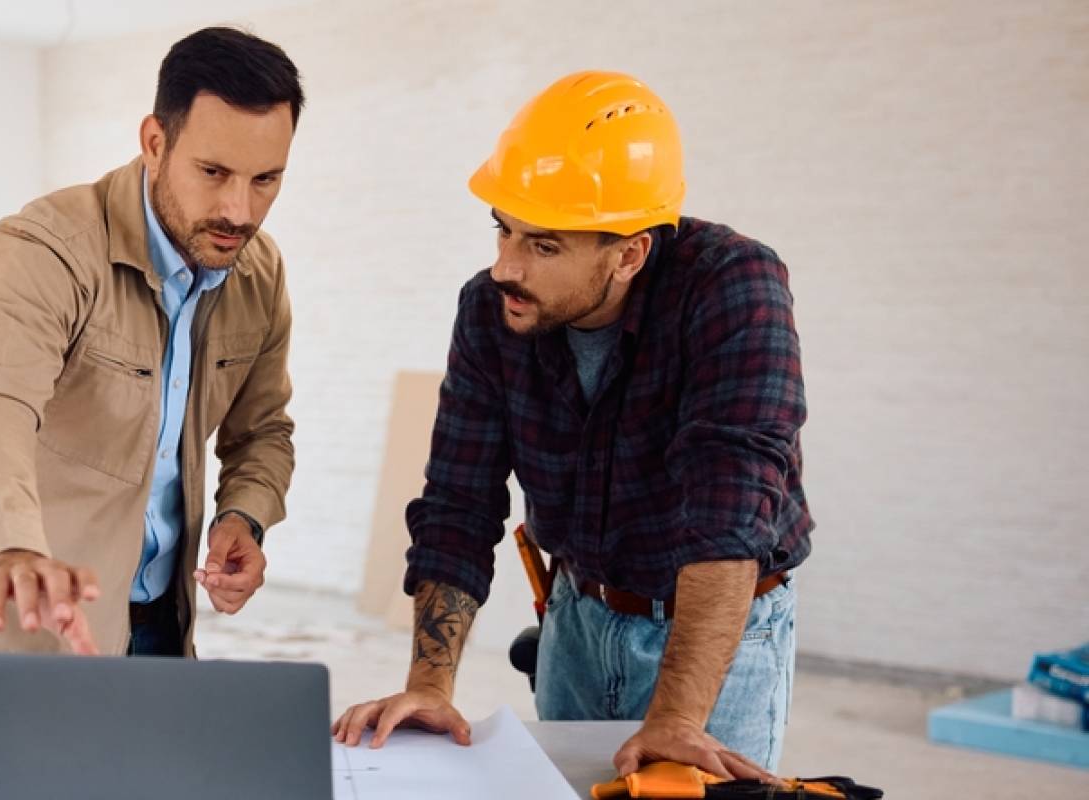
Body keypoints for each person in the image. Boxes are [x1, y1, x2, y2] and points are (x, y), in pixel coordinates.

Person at [334, 71, 810, 783]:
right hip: (577, 617)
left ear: (629, 254)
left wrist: (679, 717)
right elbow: (459, 501)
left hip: (719, 632)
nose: (505, 266)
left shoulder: (733, 287)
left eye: (544, 246)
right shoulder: (490, 309)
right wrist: (430, 686)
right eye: (504, 229)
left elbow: (729, 512)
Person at [0, 27, 304, 719]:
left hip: (160, 624)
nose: (239, 211)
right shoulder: (48, 247)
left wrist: (245, 515)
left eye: (266, 180)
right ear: (155, 142)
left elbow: (264, 429)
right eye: (214, 172)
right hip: (20, 635)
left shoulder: (259, 269)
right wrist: (10, 545)